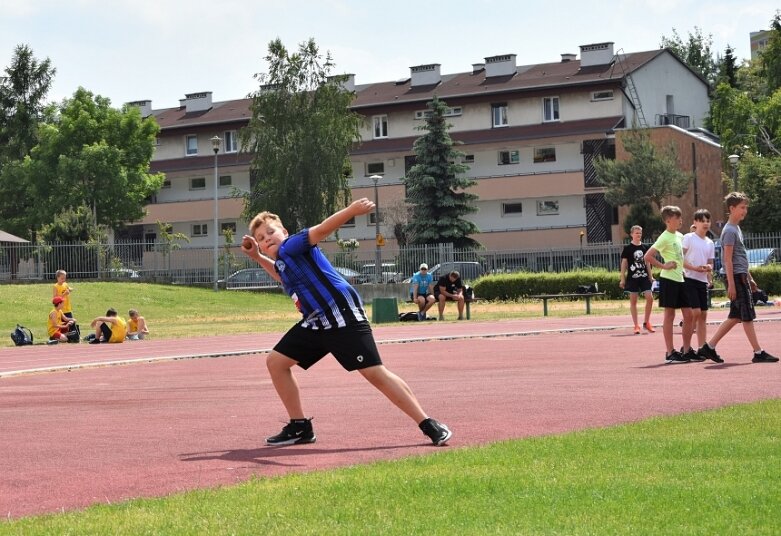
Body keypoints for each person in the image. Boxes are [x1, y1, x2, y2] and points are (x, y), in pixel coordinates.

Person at [240, 198, 453, 446]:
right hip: (316, 323)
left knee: (375, 373)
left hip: (342, 316)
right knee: (276, 362)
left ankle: (428, 424)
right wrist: (256, 256)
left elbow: (320, 230)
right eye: (261, 238)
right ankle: (300, 427)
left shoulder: (292, 246)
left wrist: (351, 211)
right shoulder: (282, 262)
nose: (267, 238)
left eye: (271, 232)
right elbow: (280, 273)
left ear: (284, 232)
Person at [697, 193, 778, 364]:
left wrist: (750, 277)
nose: (745, 211)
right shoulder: (729, 231)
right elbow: (727, 259)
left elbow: (740, 258)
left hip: (741, 276)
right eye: (742, 207)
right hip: (736, 279)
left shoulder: (736, 229)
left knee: (735, 316)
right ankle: (758, 352)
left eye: (746, 207)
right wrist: (732, 285)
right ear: (732, 208)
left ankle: (708, 347)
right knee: (747, 315)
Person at [644, 206, 693, 364]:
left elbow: (680, 258)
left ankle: (686, 350)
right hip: (668, 280)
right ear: (667, 221)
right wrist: (664, 266)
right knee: (670, 315)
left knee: (689, 315)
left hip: (680, 279)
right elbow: (648, 256)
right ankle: (670, 352)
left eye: (680, 217)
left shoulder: (680, 236)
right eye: (677, 218)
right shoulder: (664, 237)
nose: (680, 220)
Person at [680, 209, 715, 361]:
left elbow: (711, 263)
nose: (705, 223)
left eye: (707, 220)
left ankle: (702, 348)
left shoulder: (710, 242)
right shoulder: (688, 238)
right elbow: (680, 258)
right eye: (702, 220)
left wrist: (709, 272)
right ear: (695, 222)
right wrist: (694, 268)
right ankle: (686, 346)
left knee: (703, 315)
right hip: (688, 279)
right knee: (695, 313)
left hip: (702, 281)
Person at [619, 225, 655, 334]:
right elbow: (624, 264)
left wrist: (651, 276)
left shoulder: (645, 247)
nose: (638, 235)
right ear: (631, 234)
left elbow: (648, 263)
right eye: (636, 233)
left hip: (644, 277)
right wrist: (622, 279)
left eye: (640, 233)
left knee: (650, 298)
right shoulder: (628, 248)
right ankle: (636, 325)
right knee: (633, 301)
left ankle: (646, 322)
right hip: (632, 278)